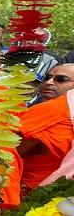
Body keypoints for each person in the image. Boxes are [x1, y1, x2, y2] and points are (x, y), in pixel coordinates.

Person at [19, 64, 74, 192]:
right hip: (43, 192)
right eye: (48, 77)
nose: (49, 82)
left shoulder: (56, 109)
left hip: (35, 192)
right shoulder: (50, 108)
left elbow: (11, 149)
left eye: (61, 79)